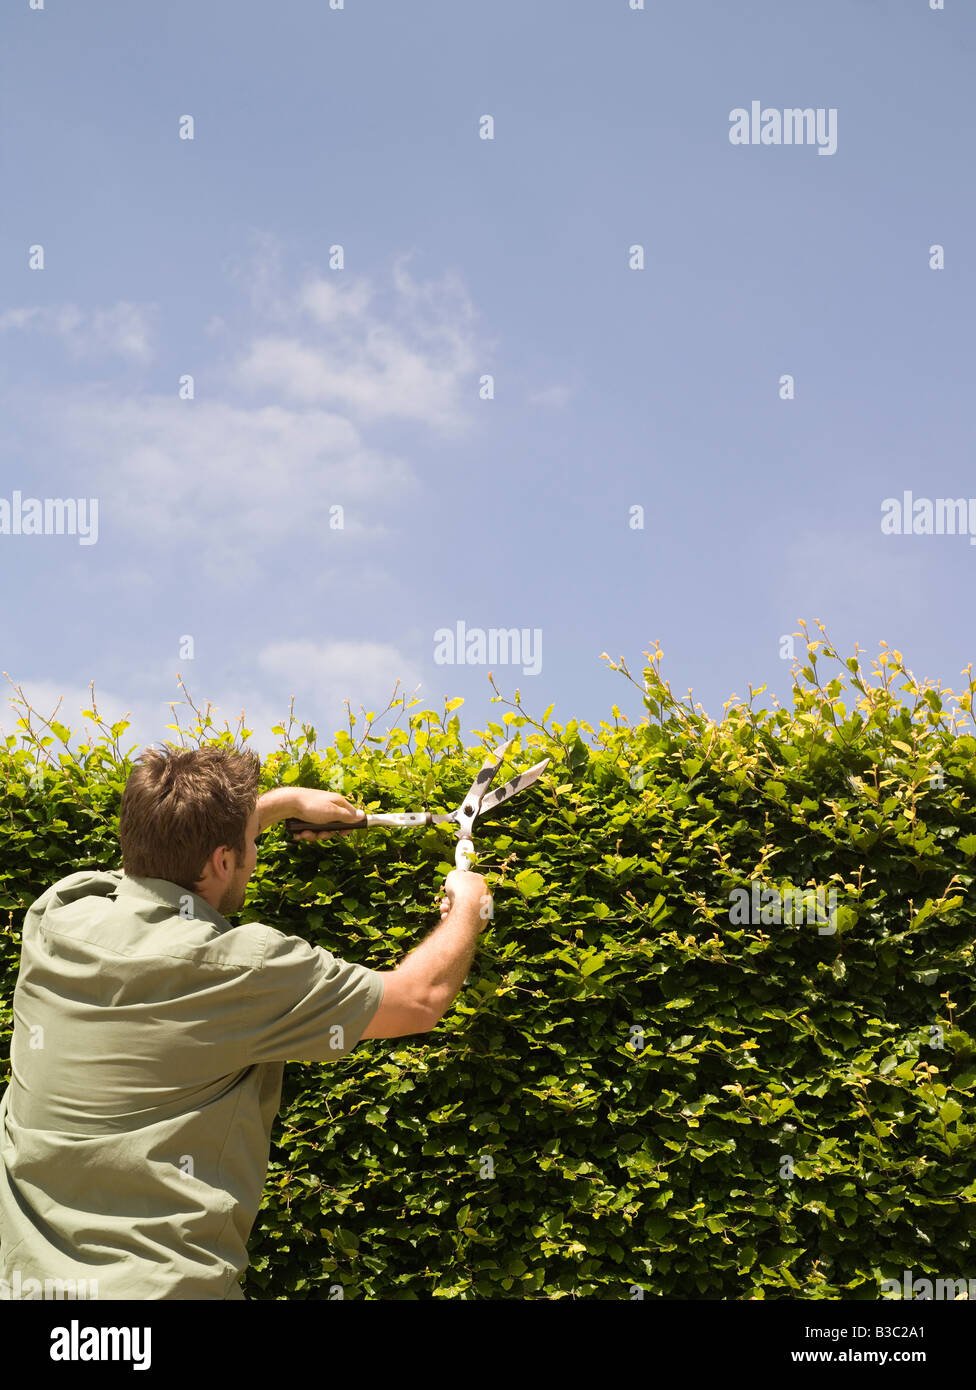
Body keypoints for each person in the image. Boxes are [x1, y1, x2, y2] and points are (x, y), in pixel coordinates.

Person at [0, 745, 489, 1300]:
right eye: (250, 846)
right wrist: (469, 906)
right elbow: (420, 998)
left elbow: (166, 848)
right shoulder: (241, 968)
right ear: (223, 861)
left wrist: (279, 805)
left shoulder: (59, 912)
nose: (256, 854)